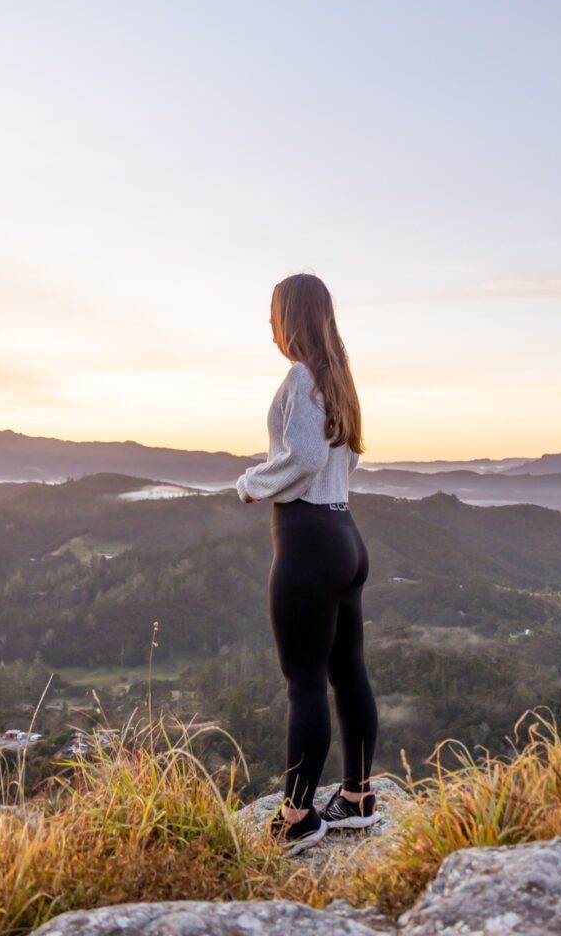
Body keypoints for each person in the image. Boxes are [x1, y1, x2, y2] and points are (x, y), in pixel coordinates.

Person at [236, 273, 379, 857]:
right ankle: (358, 798)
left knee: (304, 684)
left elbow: (304, 455)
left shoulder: (300, 375)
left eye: (273, 314)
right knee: (348, 672)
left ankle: (298, 817)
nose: (270, 327)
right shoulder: (337, 378)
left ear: (288, 317)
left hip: (307, 540)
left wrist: (250, 483)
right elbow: (337, 458)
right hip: (346, 533)